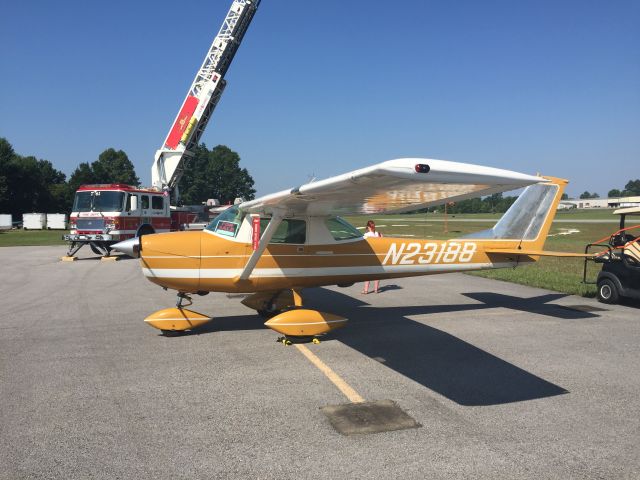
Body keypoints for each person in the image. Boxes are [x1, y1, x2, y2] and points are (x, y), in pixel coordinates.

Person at [362, 220, 382, 294]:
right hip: (378, 255)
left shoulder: (366, 235)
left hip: (370, 255)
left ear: (368, 226)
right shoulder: (379, 234)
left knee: (368, 273)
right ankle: (376, 289)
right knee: (377, 273)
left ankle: (366, 290)